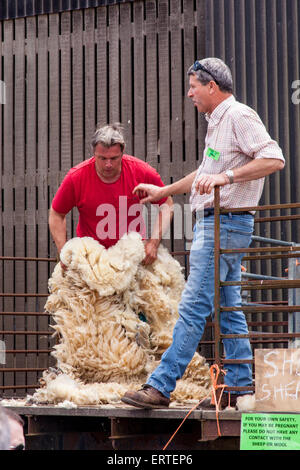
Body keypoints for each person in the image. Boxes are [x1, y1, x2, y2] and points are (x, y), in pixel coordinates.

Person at [122, 57, 285, 410]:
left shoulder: (239, 115)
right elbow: (204, 172)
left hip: (223, 222)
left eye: (193, 86)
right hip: (221, 222)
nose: (189, 92)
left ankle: (161, 385)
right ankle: (241, 388)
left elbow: (274, 158)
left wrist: (226, 178)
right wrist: (164, 191)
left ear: (212, 86)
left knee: (194, 305)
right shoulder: (218, 121)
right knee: (228, 305)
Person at [49, 123, 173, 266]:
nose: (108, 164)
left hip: (132, 259)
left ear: (122, 152)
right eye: (102, 158)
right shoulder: (76, 177)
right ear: (94, 153)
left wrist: (153, 243)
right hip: (92, 261)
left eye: (114, 158)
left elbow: (167, 204)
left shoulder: (141, 172)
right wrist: (63, 251)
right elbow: (56, 214)